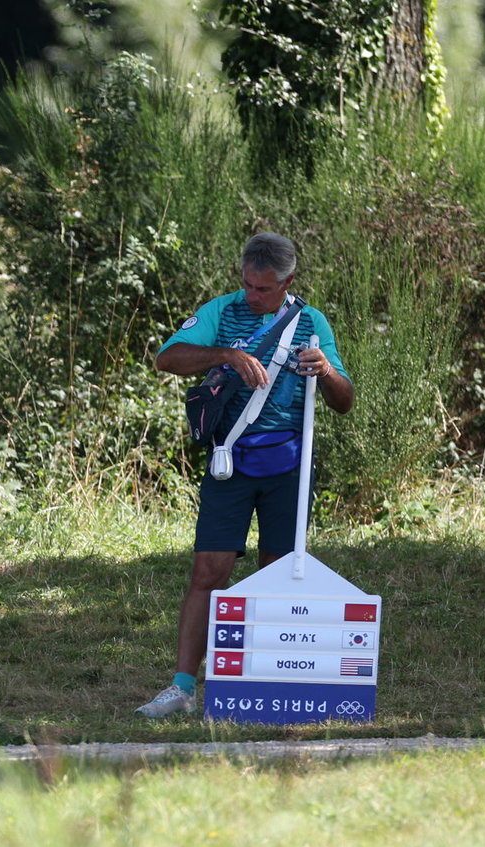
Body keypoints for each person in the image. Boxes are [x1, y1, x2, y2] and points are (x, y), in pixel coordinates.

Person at [136, 232, 354, 717]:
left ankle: (262, 685)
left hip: (289, 469)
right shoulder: (222, 310)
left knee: (276, 577)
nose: (252, 296)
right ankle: (181, 688)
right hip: (228, 463)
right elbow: (168, 358)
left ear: (289, 282)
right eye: (248, 285)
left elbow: (345, 401)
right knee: (206, 574)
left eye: (263, 289)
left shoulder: (312, 323)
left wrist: (327, 372)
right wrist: (226, 354)